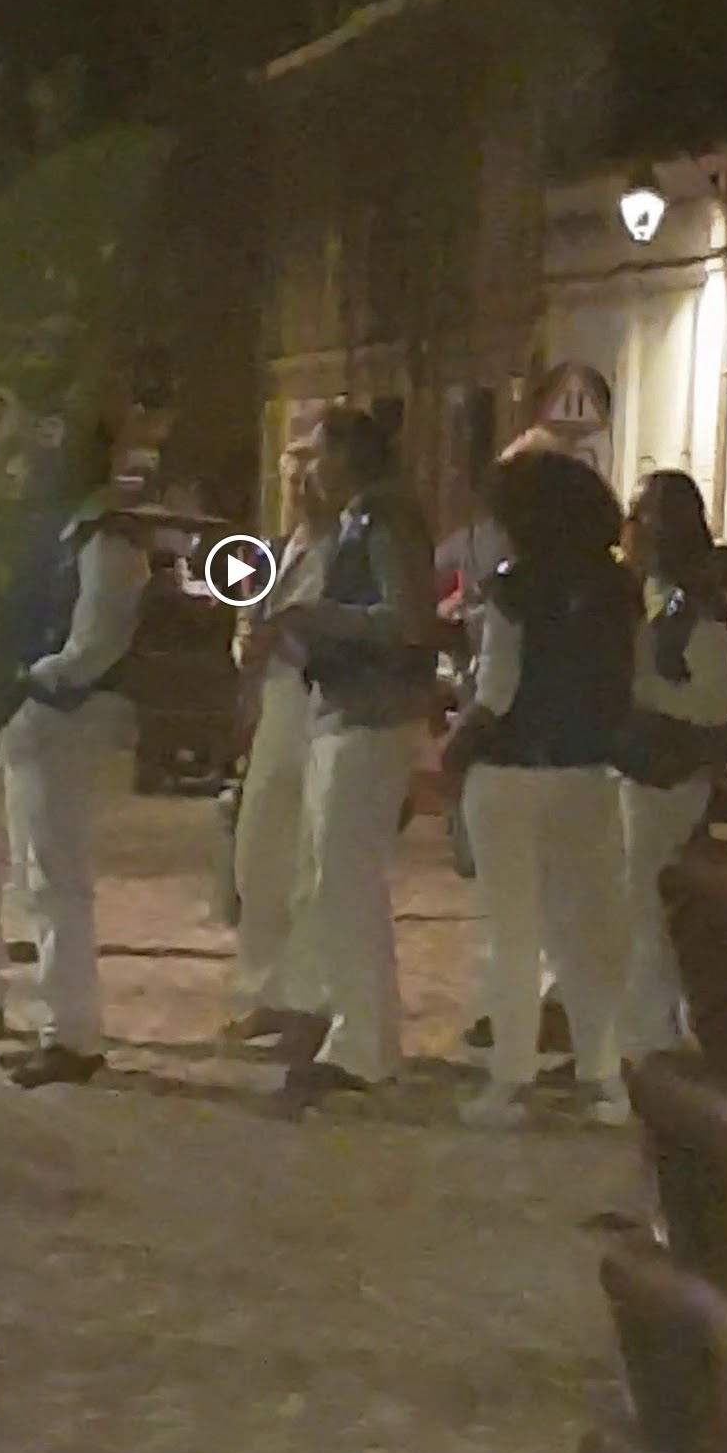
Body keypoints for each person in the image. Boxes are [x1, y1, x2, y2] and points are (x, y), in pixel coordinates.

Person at [444, 448, 637, 1128]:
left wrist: (456, 745)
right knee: (585, 931)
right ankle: (602, 1075)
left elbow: (497, 691)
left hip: (511, 770)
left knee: (513, 932)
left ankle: (512, 1078)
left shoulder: (513, 588)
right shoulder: (618, 588)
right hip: (587, 770)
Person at [0, 383, 172, 1088]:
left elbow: (95, 642)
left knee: (56, 877)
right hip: (45, 710)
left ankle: (71, 1033)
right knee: (38, 877)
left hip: (65, 713)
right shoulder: (74, 530)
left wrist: (31, 678)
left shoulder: (106, 537)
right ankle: (58, 1025)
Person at [269, 407, 436, 1103]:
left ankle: (363, 1043)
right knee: (336, 880)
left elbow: (406, 621)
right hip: (348, 709)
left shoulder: (382, 521)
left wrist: (318, 618)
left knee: (347, 880)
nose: (312, 470)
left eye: (321, 454)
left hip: (371, 714)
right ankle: (356, 1031)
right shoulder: (362, 519)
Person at [616, 471, 727, 1064]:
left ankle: (651, 1035)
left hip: (670, 775)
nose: (626, 529)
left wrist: (641, 689)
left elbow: (712, 703)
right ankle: (644, 1027)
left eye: (637, 516)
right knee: (633, 900)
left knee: (646, 904)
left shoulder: (697, 608)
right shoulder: (652, 595)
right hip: (641, 768)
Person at [223, 447, 337, 1044]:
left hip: (317, 703)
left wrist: (283, 638)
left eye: (307, 481)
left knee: (309, 858)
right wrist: (246, 646)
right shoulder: (272, 552)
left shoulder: (340, 552)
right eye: (290, 482)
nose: (298, 494)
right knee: (259, 850)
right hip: (275, 705)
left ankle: (309, 1000)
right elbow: (249, 625)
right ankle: (265, 988)